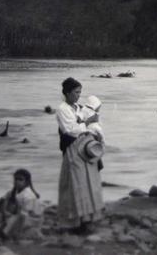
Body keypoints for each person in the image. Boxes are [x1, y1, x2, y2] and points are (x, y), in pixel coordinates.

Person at [56, 77, 105, 234]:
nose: (78, 95)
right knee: (77, 184)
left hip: (85, 148)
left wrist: (89, 122)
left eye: (80, 92)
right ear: (68, 92)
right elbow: (70, 129)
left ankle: (88, 218)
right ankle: (75, 221)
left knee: (89, 182)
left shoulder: (77, 107)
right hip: (73, 149)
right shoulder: (62, 109)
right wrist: (88, 122)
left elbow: (86, 120)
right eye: (76, 92)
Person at [0, 169, 43, 240]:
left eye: (20, 179)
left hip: (32, 218)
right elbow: (1, 200)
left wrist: (10, 216)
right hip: (20, 215)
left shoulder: (28, 195)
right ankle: (3, 227)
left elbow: (25, 214)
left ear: (26, 182)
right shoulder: (14, 191)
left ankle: (7, 234)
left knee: (12, 221)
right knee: (5, 202)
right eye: (15, 179)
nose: (17, 181)